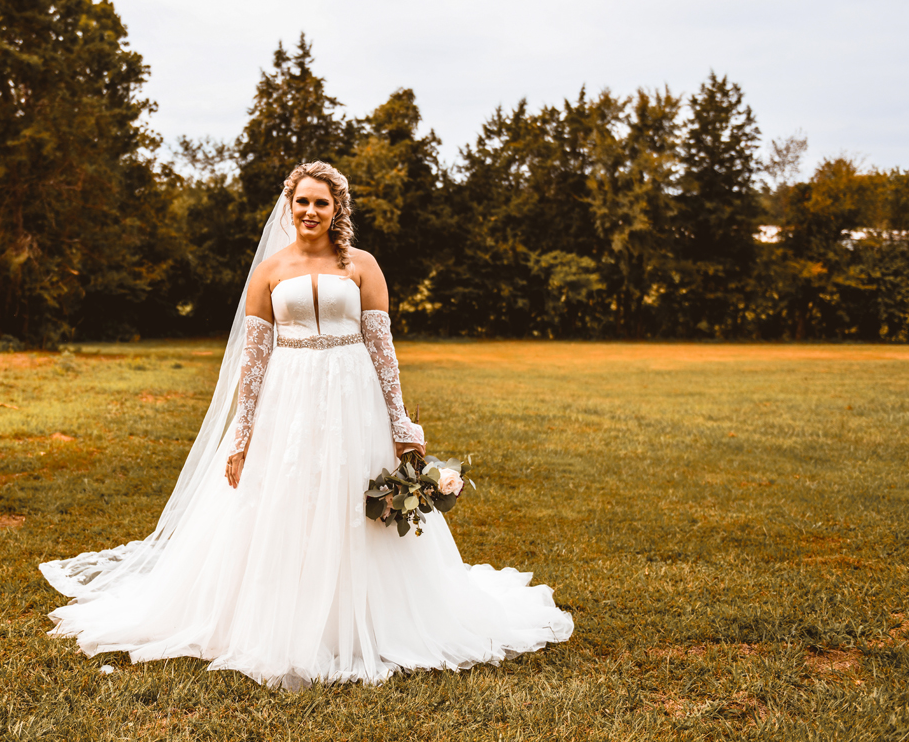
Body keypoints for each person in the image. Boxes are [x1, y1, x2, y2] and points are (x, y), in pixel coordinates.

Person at [39, 162, 573, 690]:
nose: (311, 211)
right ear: (289, 207)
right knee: (289, 499)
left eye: (321, 202)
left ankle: (364, 617)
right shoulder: (270, 271)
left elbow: (383, 352)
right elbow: (253, 362)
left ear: (336, 208)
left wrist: (401, 424)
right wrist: (242, 438)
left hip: (352, 395)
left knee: (353, 497)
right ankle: (281, 617)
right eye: (302, 201)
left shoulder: (363, 265)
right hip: (287, 401)